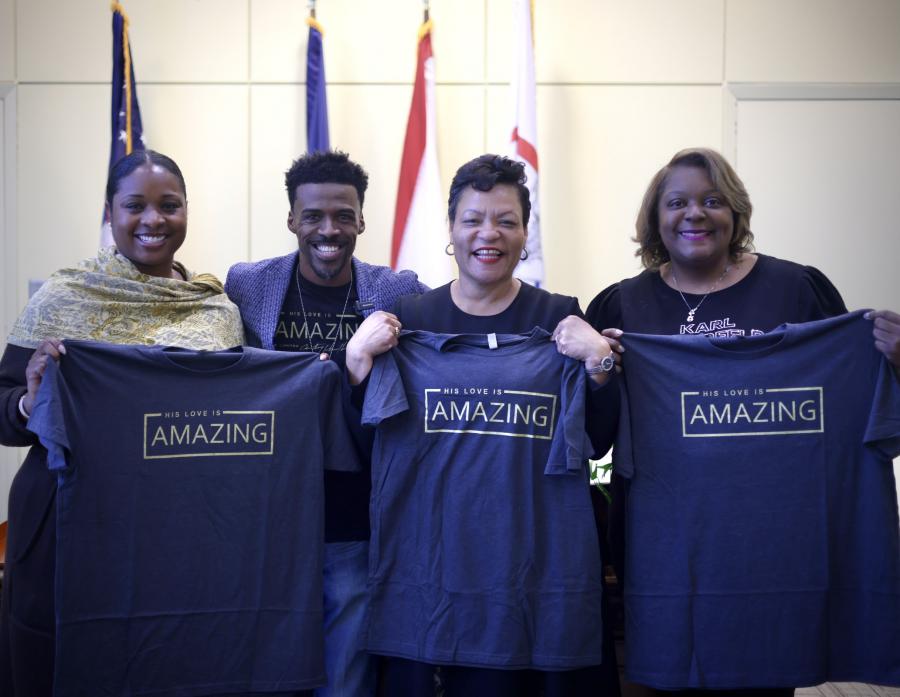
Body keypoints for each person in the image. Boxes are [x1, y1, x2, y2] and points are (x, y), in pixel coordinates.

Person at [585, 146, 900, 697]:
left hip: (773, 543)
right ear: (655, 219)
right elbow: (592, 432)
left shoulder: (797, 289)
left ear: (736, 213)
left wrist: (894, 361)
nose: (695, 214)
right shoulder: (620, 306)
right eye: (677, 202)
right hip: (666, 548)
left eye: (713, 201)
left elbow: (849, 408)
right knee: (665, 679)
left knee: (766, 677)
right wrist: (600, 369)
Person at [345, 154, 618, 697]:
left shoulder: (560, 317)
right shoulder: (410, 322)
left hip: (533, 568)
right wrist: (355, 366)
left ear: (524, 233)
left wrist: (599, 364)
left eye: (506, 220)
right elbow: (368, 446)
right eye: (473, 219)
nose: (488, 234)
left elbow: (598, 439)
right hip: (433, 571)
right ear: (451, 229)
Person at [0, 150, 244, 696]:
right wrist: (27, 401)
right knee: (58, 665)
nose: (153, 220)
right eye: (135, 205)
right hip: (65, 518)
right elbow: (5, 403)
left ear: (187, 212)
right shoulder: (63, 299)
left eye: (169, 206)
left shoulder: (218, 310)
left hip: (176, 527)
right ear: (109, 213)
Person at [224, 150, 425, 697]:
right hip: (269, 513)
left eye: (343, 215)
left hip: (351, 514)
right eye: (312, 216)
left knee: (345, 675)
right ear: (292, 219)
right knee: (263, 663)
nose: (328, 229)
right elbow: (224, 381)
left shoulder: (396, 291)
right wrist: (350, 360)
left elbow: (454, 345)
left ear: (362, 220)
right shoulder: (245, 286)